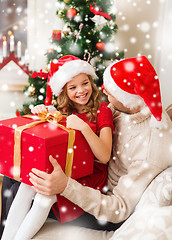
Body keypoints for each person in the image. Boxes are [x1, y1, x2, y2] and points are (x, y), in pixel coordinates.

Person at [27, 56, 172, 234]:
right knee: (16, 179)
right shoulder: (123, 107)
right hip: (90, 178)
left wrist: (65, 186)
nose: (103, 90)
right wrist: (49, 111)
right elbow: (82, 117)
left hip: (107, 207)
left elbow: (119, 208)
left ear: (125, 96)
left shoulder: (149, 149)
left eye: (110, 90)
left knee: (28, 189)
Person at [1, 55, 115, 240]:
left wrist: (83, 127)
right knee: (27, 184)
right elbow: (49, 142)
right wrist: (42, 114)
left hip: (89, 178)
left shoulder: (103, 110)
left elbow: (104, 156)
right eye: (72, 87)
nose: (81, 91)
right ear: (64, 91)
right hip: (65, 171)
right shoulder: (64, 111)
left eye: (85, 83)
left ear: (91, 82)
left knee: (43, 199)